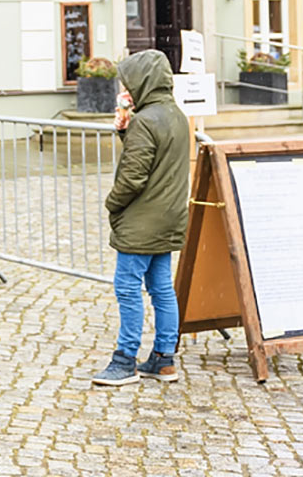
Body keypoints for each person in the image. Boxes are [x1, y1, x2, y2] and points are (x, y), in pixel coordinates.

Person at [91, 50, 190, 387]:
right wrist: (125, 131)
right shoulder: (175, 115)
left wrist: (112, 204)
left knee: (128, 288)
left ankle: (124, 360)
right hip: (168, 217)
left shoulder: (146, 121)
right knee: (162, 288)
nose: (127, 88)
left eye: (130, 82)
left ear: (144, 82)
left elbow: (133, 176)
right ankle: (164, 359)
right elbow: (157, 157)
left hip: (142, 220)